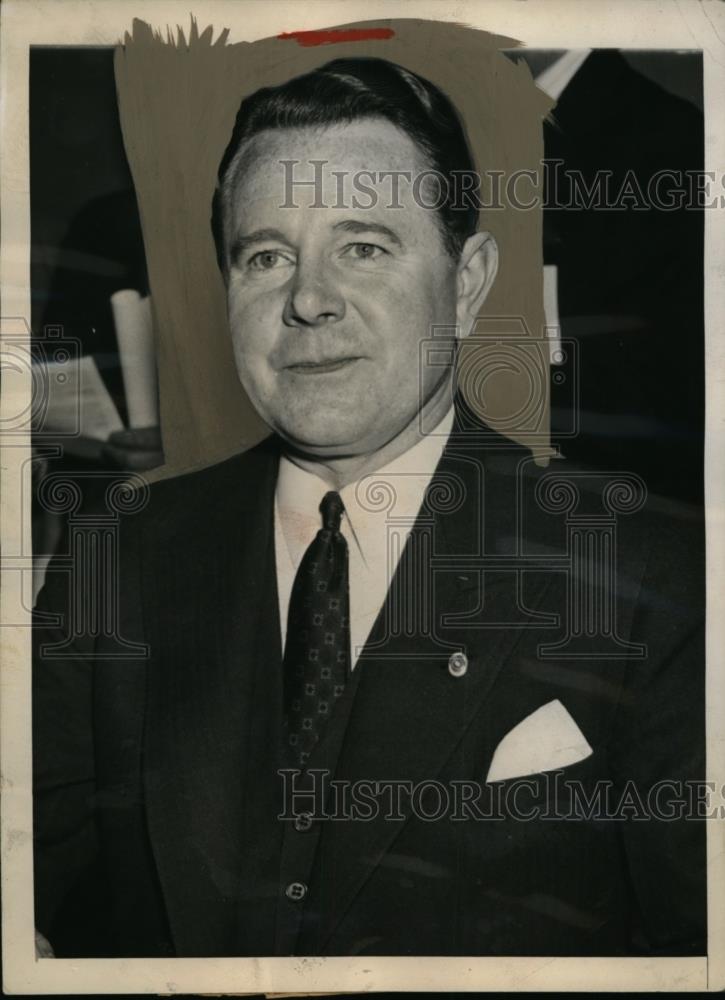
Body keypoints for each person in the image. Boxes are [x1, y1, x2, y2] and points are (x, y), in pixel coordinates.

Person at [32, 56, 706, 958]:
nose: (307, 300)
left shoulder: (650, 579)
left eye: (363, 247)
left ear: (464, 285)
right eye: (266, 256)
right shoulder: (111, 558)